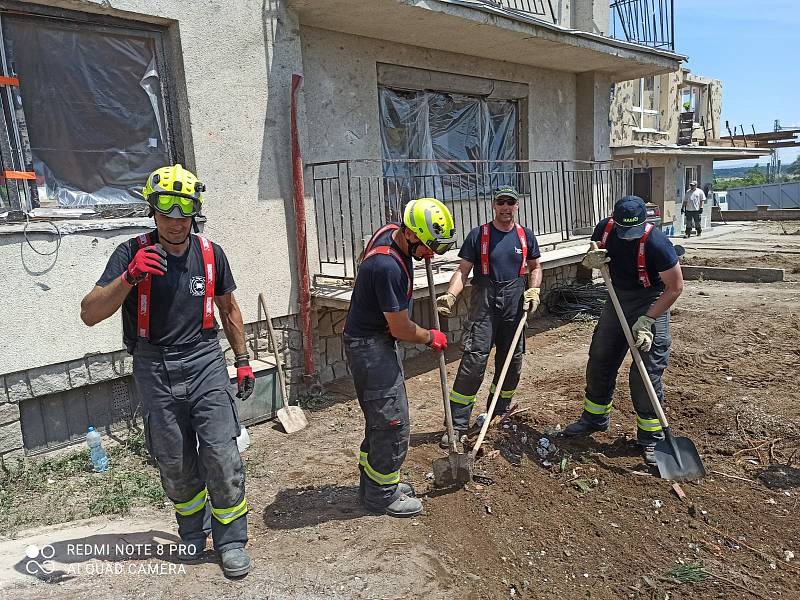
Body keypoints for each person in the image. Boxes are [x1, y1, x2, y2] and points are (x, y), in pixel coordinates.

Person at [80, 164, 254, 577]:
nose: (175, 222)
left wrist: (243, 360)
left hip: (205, 360)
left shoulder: (211, 254)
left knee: (221, 452)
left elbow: (228, 308)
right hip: (154, 366)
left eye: (184, 213)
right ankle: (193, 530)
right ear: (153, 210)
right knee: (174, 460)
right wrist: (130, 275)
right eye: (166, 212)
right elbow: (90, 313)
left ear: (195, 212)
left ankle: (231, 540)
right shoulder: (130, 253)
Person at [343, 197, 456, 518]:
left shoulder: (392, 231)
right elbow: (401, 328)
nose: (431, 255)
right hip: (370, 346)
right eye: (428, 247)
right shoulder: (387, 266)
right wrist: (431, 336)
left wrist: (423, 250)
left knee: (380, 421)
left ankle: (377, 483)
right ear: (410, 234)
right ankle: (381, 496)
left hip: (369, 338)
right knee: (393, 423)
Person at [564, 196, 684, 467]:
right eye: (624, 232)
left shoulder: (657, 243)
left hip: (652, 300)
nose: (629, 238)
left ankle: (651, 436)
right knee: (600, 358)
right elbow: (593, 252)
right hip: (618, 299)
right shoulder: (604, 229)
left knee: (644, 371)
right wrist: (590, 260)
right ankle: (594, 417)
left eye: (634, 233)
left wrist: (647, 320)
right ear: (614, 221)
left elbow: (675, 287)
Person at [436, 186, 542, 446]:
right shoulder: (479, 235)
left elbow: (536, 267)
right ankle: (456, 425)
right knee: (474, 363)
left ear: (517, 205)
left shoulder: (525, 236)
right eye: (501, 202)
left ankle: (498, 412)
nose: (506, 207)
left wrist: (534, 291)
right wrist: (451, 295)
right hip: (484, 304)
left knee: (512, 363)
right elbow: (463, 271)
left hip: (514, 304)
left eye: (510, 203)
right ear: (494, 205)